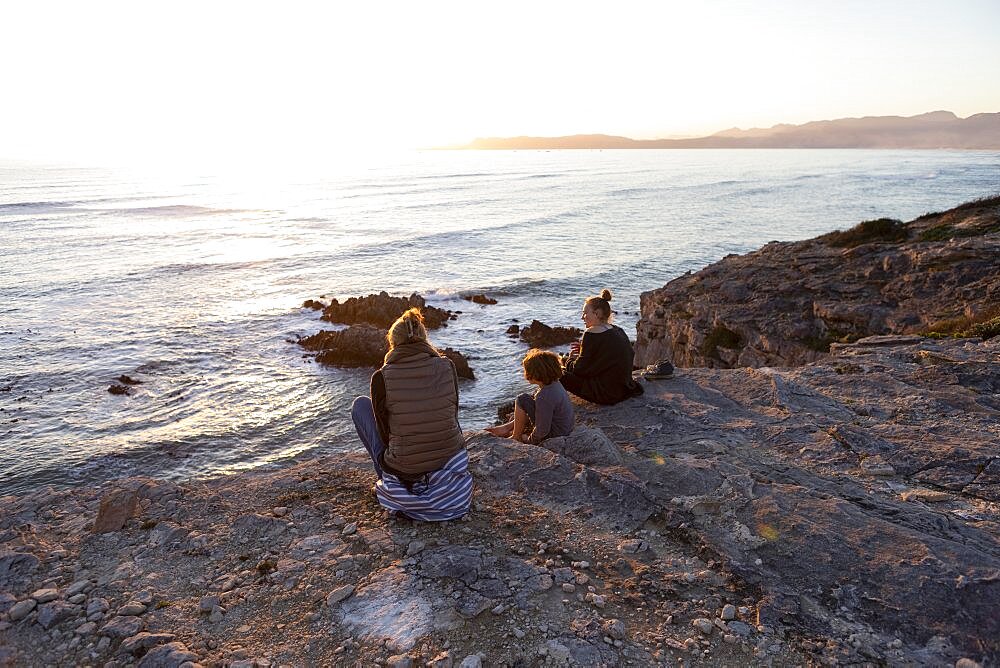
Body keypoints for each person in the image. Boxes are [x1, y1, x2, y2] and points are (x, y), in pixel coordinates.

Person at [350, 307, 471, 521]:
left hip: (405, 468)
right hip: (448, 457)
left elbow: (385, 432)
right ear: (424, 338)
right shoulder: (447, 365)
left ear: (393, 343)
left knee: (360, 405)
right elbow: (452, 412)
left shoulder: (381, 377)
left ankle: (389, 480)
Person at [561, 289, 644, 404]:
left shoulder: (591, 334)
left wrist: (570, 359)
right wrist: (583, 352)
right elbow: (609, 357)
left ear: (597, 313)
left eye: (585, 313)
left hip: (606, 393)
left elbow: (579, 370)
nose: (582, 317)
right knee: (567, 363)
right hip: (625, 388)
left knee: (557, 373)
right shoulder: (618, 330)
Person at [486, 349, 574, 443]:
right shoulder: (554, 384)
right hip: (563, 428)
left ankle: (516, 436)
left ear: (535, 374)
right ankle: (509, 428)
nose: (525, 374)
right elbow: (542, 412)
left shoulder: (544, 396)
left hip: (555, 434)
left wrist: (530, 441)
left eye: (526, 371)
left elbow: (542, 430)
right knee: (527, 401)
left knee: (522, 399)